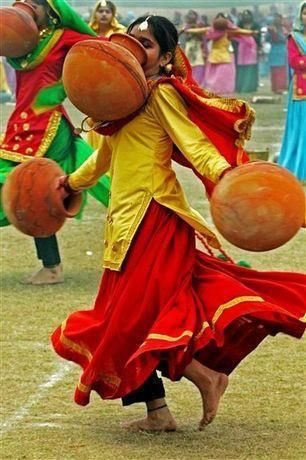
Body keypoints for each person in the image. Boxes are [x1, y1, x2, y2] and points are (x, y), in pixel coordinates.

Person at [51, 15, 306, 432]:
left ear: (167, 57)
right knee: (122, 315)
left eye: (148, 44)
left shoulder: (160, 94)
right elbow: (104, 158)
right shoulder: (118, 102)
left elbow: (194, 144)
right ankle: (158, 414)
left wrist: (227, 176)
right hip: (122, 224)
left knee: (130, 318)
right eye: (132, 41)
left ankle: (206, 375)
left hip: (155, 218)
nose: (137, 49)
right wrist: (70, 183)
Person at [0, 0, 110, 285]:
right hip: (21, 125)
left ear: (52, 10)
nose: (27, 6)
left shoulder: (64, 37)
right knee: (28, 191)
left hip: (47, 126)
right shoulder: (19, 37)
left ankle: (52, 267)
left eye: (35, 3)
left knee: (33, 188)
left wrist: (63, 89)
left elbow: (103, 52)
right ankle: (51, 266)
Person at [87, 0, 126, 151]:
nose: (104, 14)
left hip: (113, 83)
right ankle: (94, 157)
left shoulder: (121, 33)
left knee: (110, 121)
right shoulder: (87, 32)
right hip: (91, 83)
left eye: (107, 11)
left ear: (113, 14)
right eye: (101, 11)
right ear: (95, 13)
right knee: (93, 119)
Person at [278, 2, 306, 181]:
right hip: (302, 89)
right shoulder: (294, 38)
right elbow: (296, 62)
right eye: (305, 13)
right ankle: (299, 168)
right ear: (300, 16)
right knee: (301, 130)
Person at [235, 10, 261, 94]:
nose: (246, 17)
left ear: (251, 16)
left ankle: (250, 87)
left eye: (248, 15)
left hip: (252, 48)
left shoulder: (256, 25)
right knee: (241, 68)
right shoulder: (239, 26)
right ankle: (241, 87)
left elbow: (258, 37)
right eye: (244, 15)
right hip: (241, 48)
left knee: (251, 67)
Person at [266, 13, 289, 94]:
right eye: (275, 18)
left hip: (282, 50)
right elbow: (267, 39)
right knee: (274, 69)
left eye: (278, 18)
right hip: (274, 50)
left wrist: (276, 33)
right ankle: (275, 88)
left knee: (281, 70)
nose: (277, 20)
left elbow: (284, 39)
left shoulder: (283, 29)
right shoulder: (270, 29)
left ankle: (281, 88)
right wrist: (271, 33)